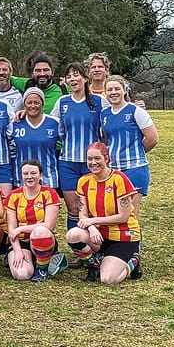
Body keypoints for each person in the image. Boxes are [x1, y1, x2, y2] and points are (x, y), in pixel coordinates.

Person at [67, 142, 142, 284]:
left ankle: (134, 260)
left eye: (97, 158)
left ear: (106, 159)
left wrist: (93, 221)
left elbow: (123, 216)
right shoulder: (84, 181)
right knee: (73, 235)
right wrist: (90, 227)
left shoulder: (119, 179)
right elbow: (82, 214)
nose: (93, 162)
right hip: (99, 235)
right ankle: (93, 264)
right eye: (89, 159)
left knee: (108, 279)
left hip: (123, 236)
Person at [50, 62, 105, 239]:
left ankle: (97, 248)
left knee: (94, 207)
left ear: (85, 78)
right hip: (68, 163)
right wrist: (23, 114)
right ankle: (79, 250)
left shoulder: (99, 101)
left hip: (93, 164)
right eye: (69, 76)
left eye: (76, 74)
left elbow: (115, 115)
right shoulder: (62, 102)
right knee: (74, 208)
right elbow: (49, 125)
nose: (73, 79)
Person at [101, 75, 157, 207]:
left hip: (135, 169)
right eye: (109, 90)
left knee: (130, 214)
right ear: (105, 92)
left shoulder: (136, 111)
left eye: (117, 89)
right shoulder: (104, 113)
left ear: (124, 90)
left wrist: (136, 151)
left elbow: (152, 138)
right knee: (114, 211)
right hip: (113, 170)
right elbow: (106, 139)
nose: (113, 92)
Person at [5, 160, 65, 282]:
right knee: (22, 275)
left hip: (42, 238)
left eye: (33, 173)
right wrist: (17, 251)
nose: (29, 177)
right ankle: (39, 259)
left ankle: (42, 269)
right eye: (25, 173)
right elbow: (12, 230)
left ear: (40, 175)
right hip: (21, 241)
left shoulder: (49, 193)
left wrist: (21, 228)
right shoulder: (13, 196)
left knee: (40, 231)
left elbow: (48, 225)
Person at [11, 88, 60, 189]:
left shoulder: (54, 123)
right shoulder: (15, 123)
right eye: (29, 102)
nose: (33, 106)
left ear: (42, 104)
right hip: (22, 179)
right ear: (24, 105)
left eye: (36, 102)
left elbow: (67, 141)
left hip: (48, 178)